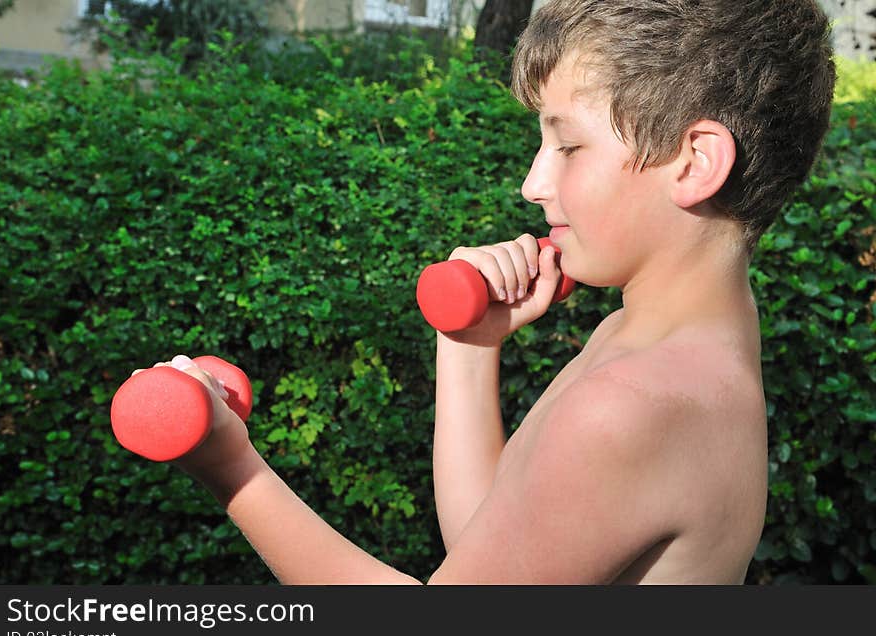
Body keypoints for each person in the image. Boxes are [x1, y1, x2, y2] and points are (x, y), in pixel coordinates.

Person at [135, 0, 836, 583]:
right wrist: (468, 347)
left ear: (695, 161)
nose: (533, 184)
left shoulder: (633, 404)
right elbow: (489, 542)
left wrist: (231, 467)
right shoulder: (657, 341)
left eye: (568, 147)